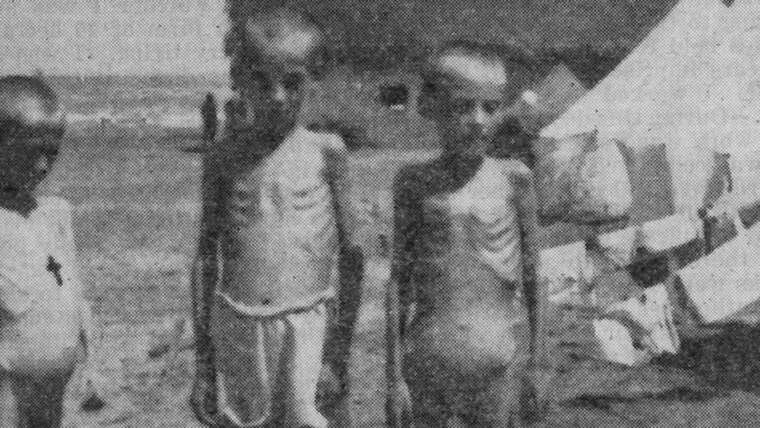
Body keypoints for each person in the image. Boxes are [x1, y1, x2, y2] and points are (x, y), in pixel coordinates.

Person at [190, 8, 361, 428]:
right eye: (262, 82)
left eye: (292, 82)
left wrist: (337, 355)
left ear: (312, 80)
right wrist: (204, 365)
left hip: (310, 324)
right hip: (239, 324)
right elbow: (204, 260)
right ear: (239, 81)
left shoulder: (326, 152)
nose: (278, 96)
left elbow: (353, 254)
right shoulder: (223, 158)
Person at [386, 41, 549, 427]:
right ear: (432, 109)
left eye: (490, 107)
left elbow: (534, 277)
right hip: (427, 367)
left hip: (495, 367)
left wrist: (538, 364)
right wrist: (393, 379)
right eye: (462, 107)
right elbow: (397, 284)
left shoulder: (514, 179)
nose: (478, 120)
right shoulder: (414, 183)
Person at [0, 75, 96, 427]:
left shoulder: (55, 214)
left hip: (54, 389)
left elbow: (69, 290)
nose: (42, 166)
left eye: (51, 153)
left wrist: (91, 361)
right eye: (30, 152)